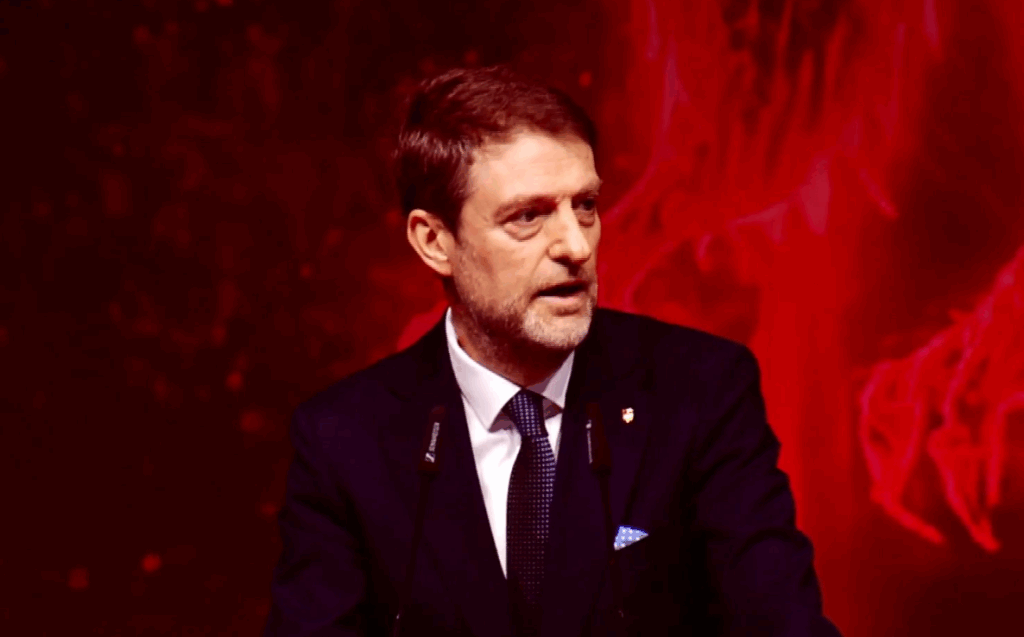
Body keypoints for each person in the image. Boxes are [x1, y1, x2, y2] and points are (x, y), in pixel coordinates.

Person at [264, 65, 842, 637]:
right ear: (435, 241)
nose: (575, 245)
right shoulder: (346, 439)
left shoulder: (700, 392)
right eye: (528, 216)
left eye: (585, 205)